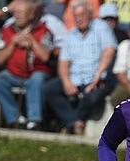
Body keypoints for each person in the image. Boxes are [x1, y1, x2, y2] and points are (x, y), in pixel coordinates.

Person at [43, 0, 116, 135]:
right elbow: (63, 63)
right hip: (75, 78)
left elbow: (109, 51)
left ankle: (72, 123)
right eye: (76, 16)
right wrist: (66, 82)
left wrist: (97, 76)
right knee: (49, 89)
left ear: (90, 14)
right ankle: (74, 122)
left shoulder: (101, 27)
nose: (79, 19)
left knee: (93, 96)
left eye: (82, 15)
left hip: (97, 77)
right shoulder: (70, 35)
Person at [0, 0, 53, 130]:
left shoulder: (44, 30)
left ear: (31, 15)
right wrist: (13, 43)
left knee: (36, 80)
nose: (17, 16)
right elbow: (0, 59)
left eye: (21, 13)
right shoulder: (7, 30)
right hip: (13, 73)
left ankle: (34, 121)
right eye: (15, 13)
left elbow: (45, 57)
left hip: (36, 72)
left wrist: (32, 42)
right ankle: (15, 118)